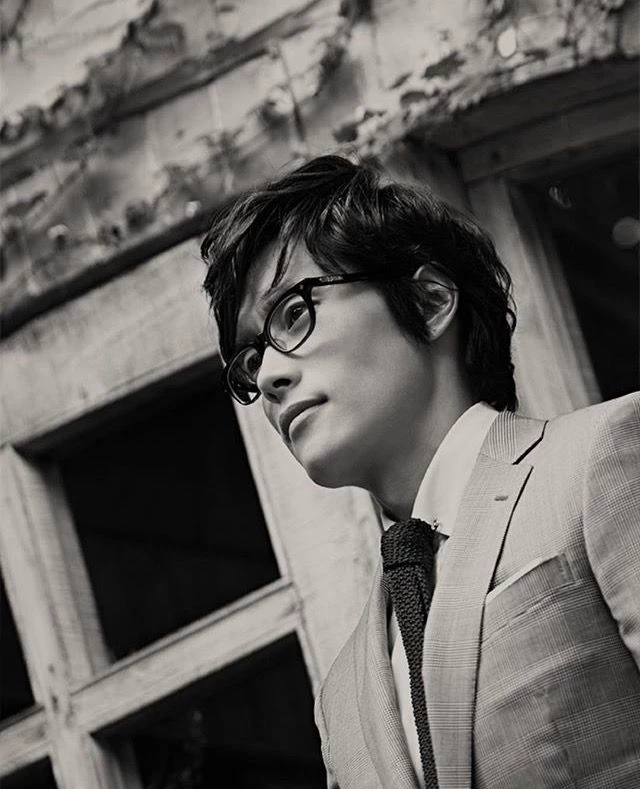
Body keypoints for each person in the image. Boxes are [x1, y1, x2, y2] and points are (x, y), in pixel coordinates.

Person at [201, 154, 640, 789]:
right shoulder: (342, 699)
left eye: (293, 313)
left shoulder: (603, 460)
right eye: (249, 359)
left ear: (429, 301)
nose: (268, 375)